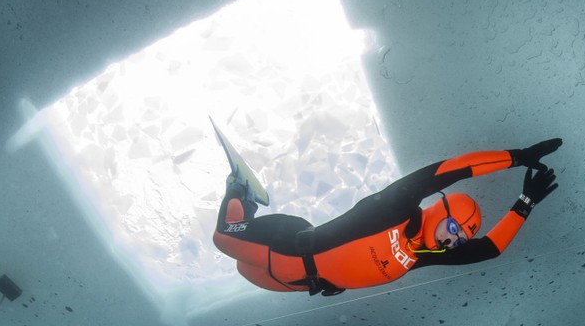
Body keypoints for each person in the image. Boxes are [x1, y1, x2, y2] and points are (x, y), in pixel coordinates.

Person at [212, 125, 562, 296]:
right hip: (284, 243)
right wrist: (517, 157)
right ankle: (240, 190)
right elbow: (449, 170)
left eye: (460, 240)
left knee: (242, 269)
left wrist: (526, 202)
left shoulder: (423, 255)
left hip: (294, 282)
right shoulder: (398, 208)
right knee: (222, 238)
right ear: (441, 210)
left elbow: (490, 249)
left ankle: (245, 211)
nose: (453, 242)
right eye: (455, 229)